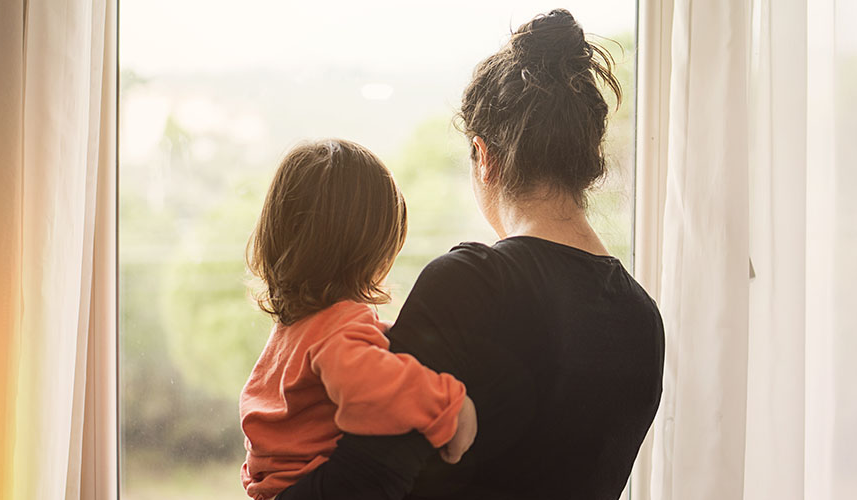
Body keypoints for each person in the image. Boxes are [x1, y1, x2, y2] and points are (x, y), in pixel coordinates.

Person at [275, 9, 665, 500]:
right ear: (585, 159)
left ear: (484, 157)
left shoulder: (471, 285)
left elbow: (359, 486)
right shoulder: (641, 320)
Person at [239, 139, 478, 500]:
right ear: (371, 254)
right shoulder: (337, 329)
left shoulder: (295, 326)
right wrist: (450, 405)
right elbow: (377, 390)